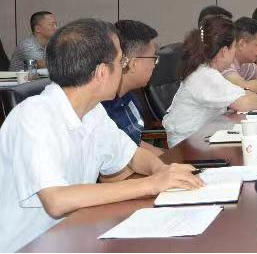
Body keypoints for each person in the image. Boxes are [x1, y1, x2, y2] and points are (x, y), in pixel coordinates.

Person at [0, 19, 203, 252]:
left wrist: (161, 170)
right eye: (121, 61)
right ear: (102, 73)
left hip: (73, 235)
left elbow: (132, 155)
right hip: (27, 245)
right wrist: (151, 184)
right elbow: (57, 200)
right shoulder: (34, 116)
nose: (124, 69)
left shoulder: (93, 111)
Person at [163, 16, 257, 148]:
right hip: (187, 145)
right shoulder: (205, 75)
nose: (235, 53)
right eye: (234, 47)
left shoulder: (207, 71)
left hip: (203, 136)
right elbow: (243, 103)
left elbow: (242, 95)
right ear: (224, 51)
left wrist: (254, 95)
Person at [101, 20, 165, 158]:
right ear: (134, 63)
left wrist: (169, 159)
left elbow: (135, 144)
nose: (154, 65)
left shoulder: (129, 97)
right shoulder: (102, 110)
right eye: (153, 58)